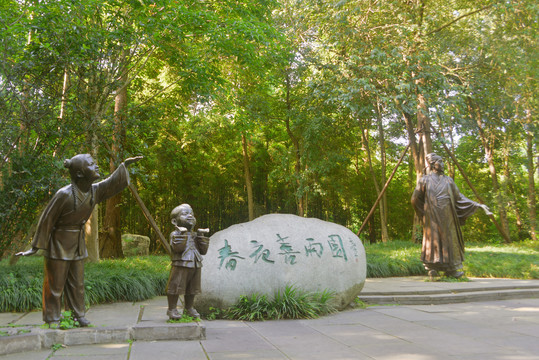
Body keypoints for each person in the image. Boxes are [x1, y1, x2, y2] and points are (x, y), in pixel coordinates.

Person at [16, 154, 142, 327]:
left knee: (77, 283)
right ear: (80, 174)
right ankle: (52, 318)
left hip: (77, 243)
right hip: (59, 244)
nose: (96, 166)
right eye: (91, 164)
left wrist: (124, 166)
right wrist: (36, 246)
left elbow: (111, 184)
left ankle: (78, 314)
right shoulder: (64, 194)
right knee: (55, 285)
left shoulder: (94, 190)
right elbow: (47, 220)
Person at [411, 153, 491, 279]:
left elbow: (459, 197)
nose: (442, 164)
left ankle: (451, 269)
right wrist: (425, 213)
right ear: (433, 164)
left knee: (450, 240)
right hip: (432, 217)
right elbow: (415, 200)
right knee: (433, 240)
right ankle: (432, 268)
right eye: (440, 162)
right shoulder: (424, 180)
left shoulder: (448, 180)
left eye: (443, 162)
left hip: (448, 216)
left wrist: (477, 205)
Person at [166, 204, 209, 320]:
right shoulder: (175, 234)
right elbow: (178, 248)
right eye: (185, 214)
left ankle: (189, 308)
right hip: (181, 264)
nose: (190, 216)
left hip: (195, 263)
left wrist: (201, 236)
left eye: (192, 214)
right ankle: (172, 309)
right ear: (174, 221)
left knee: (192, 288)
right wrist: (183, 233)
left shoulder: (194, 235)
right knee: (175, 286)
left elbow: (203, 251)